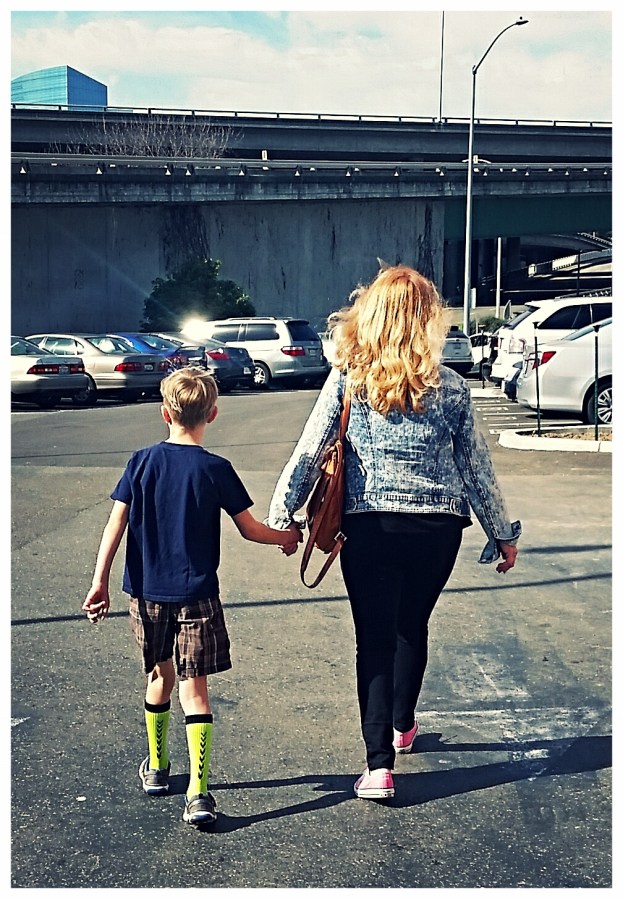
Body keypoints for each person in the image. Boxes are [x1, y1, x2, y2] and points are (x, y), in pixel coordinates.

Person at [267, 265, 521, 801]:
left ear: (371, 317)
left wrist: (283, 517)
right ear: (428, 320)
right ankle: (404, 723)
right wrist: (502, 532)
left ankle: (379, 767)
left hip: (369, 528)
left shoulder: (350, 380)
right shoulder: (452, 388)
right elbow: (476, 468)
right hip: (438, 530)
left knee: (375, 640)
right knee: (412, 625)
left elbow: (310, 451)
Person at [82, 367, 302, 826]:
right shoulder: (215, 469)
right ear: (213, 414)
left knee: (159, 677)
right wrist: (286, 537)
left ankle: (157, 767)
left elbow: (115, 525)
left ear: (165, 413)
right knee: (195, 689)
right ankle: (199, 794)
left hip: (146, 593)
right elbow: (250, 529)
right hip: (197, 595)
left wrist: (99, 581)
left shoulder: (141, 462)